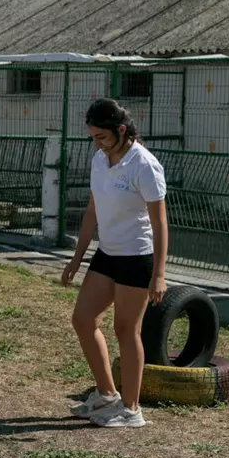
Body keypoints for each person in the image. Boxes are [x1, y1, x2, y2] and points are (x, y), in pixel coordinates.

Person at [62, 98, 168, 428]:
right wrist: (77, 258)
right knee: (82, 319)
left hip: (136, 256)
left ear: (121, 130)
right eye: (93, 137)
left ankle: (131, 409)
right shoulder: (99, 159)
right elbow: (92, 212)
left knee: (125, 329)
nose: (97, 144)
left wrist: (159, 274)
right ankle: (107, 394)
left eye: (102, 137)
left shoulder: (144, 164)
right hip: (107, 253)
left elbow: (160, 222)